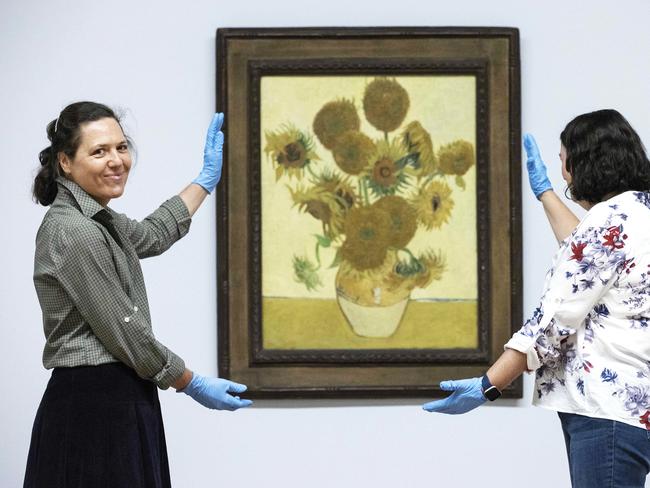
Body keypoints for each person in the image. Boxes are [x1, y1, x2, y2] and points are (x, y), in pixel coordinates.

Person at [25, 101, 252, 488]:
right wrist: (190, 381)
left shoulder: (96, 219)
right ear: (65, 162)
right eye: (99, 151)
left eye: (121, 147)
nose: (116, 160)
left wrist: (205, 180)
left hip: (115, 398)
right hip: (94, 409)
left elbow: (152, 234)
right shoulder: (74, 231)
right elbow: (126, 331)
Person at [422, 109, 650, 488]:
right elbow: (592, 259)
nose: (564, 176)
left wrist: (488, 385)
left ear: (584, 163)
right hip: (635, 406)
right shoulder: (639, 213)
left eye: (564, 163)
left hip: (604, 411)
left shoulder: (606, 224)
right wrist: (545, 193)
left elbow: (552, 321)